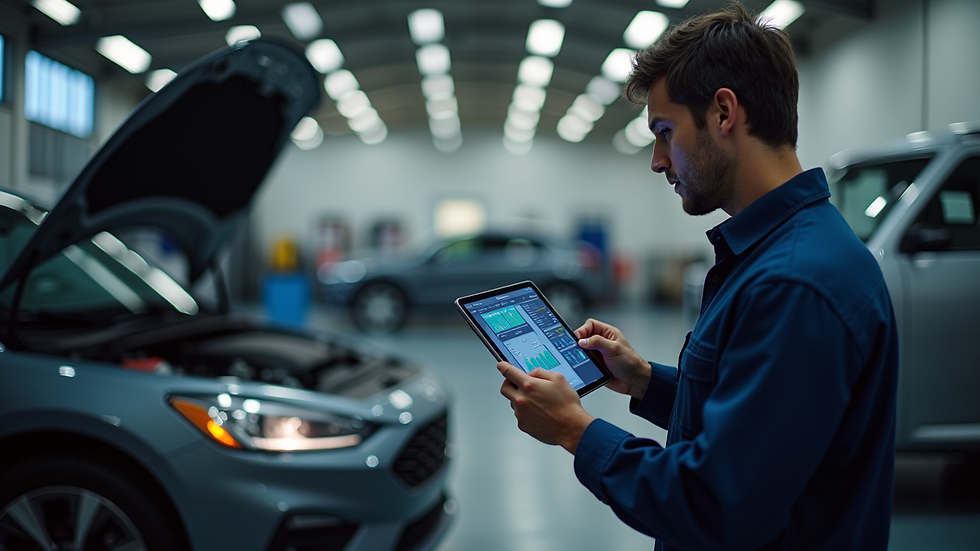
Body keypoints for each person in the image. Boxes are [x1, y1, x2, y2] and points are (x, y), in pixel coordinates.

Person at [496, 3, 899, 550]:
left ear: (724, 113)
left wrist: (576, 430)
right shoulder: (785, 253)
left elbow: (716, 504)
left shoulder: (792, 283)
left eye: (665, 131)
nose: (658, 160)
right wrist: (643, 379)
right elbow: (756, 423)